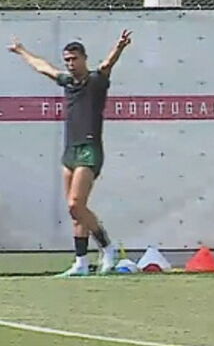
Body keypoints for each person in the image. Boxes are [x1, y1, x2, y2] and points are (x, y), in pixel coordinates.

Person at [8, 31, 132, 277]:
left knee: (77, 203)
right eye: (67, 60)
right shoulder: (68, 83)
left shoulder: (96, 81)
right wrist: (22, 51)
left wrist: (119, 47)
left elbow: (107, 65)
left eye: (75, 59)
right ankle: (81, 262)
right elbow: (44, 68)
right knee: (75, 210)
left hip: (89, 149)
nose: (71, 64)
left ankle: (108, 248)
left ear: (84, 58)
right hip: (70, 151)